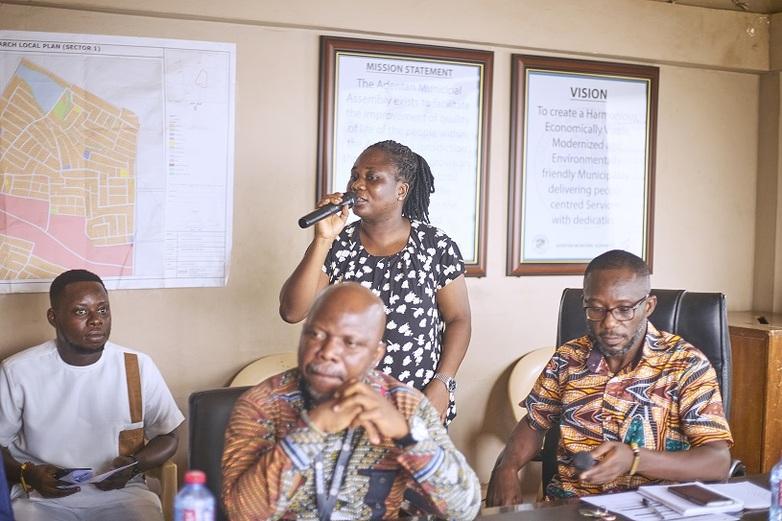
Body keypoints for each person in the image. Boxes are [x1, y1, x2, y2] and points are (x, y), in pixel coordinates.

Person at [487, 250, 733, 505]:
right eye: (596, 309)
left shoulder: (685, 364)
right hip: (572, 508)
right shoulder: (568, 358)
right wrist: (506, 468)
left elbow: (717, 461)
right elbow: (534, 423)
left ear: (648, 306)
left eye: (625, 310)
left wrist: (635, 459)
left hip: (651, 509)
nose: (609, 323)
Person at [223, 282, 480, 521]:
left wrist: (407, 435)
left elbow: (464, 508)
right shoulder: (263, 404)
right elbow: (242, 514)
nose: (328, 352)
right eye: (316, 335)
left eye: (350, 343)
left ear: (375, 354)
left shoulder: (404, 405)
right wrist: (313, 429)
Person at [280, 140, 471, 425]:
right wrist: (323, 239)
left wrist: (443, 382)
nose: (357, 185)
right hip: (346, 403)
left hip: (416, 401)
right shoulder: (339, 244)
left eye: (372, 178)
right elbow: (292, 312)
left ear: (401, 191)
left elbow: (459, 319)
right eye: (355, 176)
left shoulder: (435, 246)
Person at [0, 269, 184, 521]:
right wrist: (29, 474)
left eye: (103, 310)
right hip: (41, 498)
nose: (96, 320)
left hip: (123, 493)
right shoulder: (18, 371)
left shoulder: (136, 366)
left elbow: (169, 435)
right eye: (81, 311)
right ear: (53, 317)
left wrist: (135, 465)